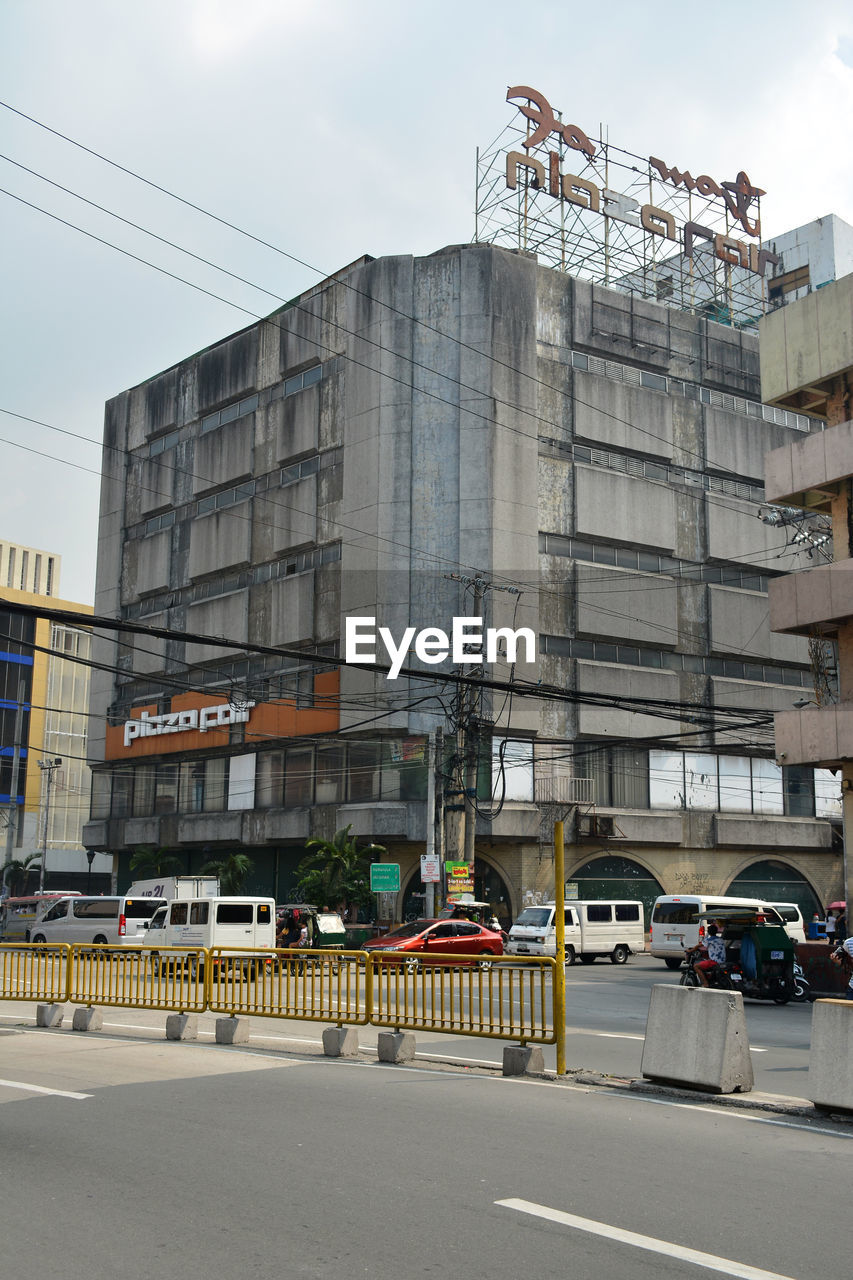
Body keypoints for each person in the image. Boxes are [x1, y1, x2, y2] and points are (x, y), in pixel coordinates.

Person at [693, 923, 727, 988]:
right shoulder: (721, 939)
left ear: (708, 932)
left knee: (696, 966)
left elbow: (698, 946)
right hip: (722, 961)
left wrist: (690, 950)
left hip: (715, 962)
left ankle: (705, 984)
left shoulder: (709, 940)